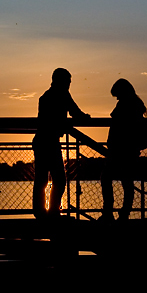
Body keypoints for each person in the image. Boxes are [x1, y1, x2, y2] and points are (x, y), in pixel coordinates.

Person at [33, 68, 90, 219]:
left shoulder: (45, 97)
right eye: (68, 81)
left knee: (41, 179)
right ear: (61, 81)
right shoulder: (63, 95)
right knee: (58, 179)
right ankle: (52, 211)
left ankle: (41, 212)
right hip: (50, 142)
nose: (69, 84)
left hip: (41, 141)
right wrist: (84, 118)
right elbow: (75, 112)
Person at [100, 78, 147, 222]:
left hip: (121, 151)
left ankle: (112, 212)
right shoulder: (134, 105)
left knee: (109, 178)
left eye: (117, 95)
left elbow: (121, 127)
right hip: (125, 150)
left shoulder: (128, 106)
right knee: (125, 181)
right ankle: (122, 213)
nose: (117, 98)